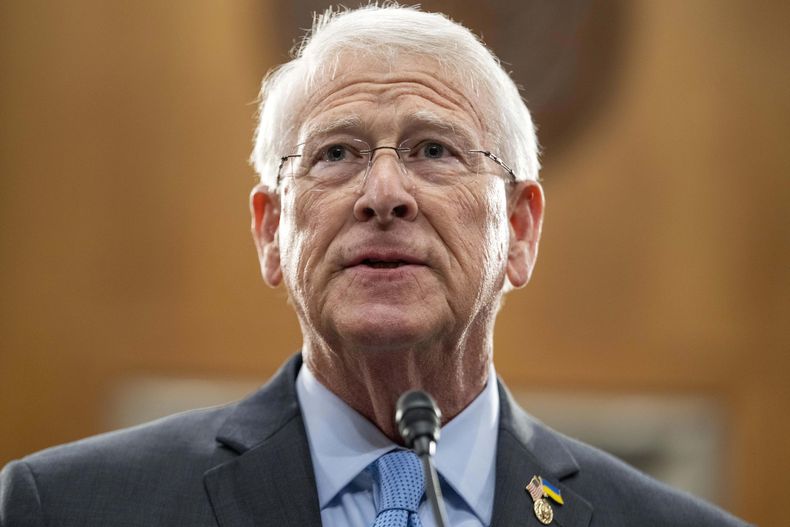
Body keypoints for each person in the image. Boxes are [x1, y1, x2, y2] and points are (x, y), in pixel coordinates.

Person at [0, 5, 750, 527]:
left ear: (519, 230)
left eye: (434, 150)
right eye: (336, 154)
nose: (383, 194)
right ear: (270, 231)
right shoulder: (63, 505)